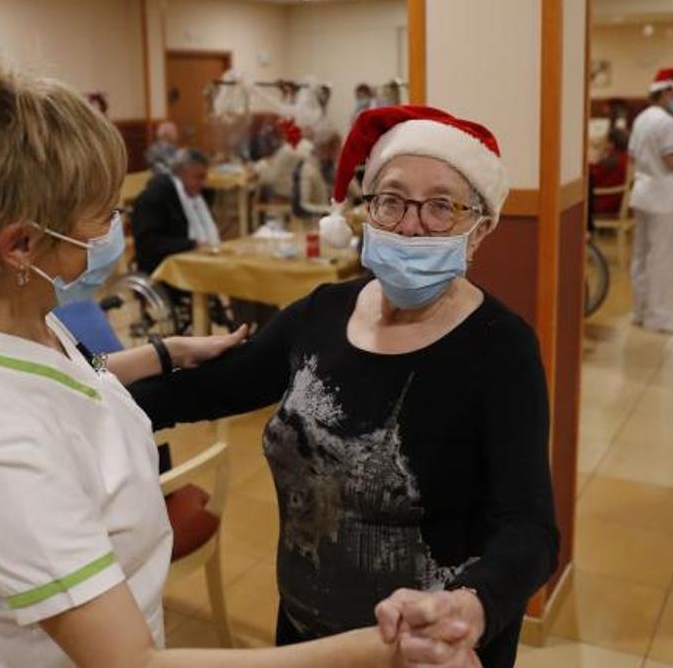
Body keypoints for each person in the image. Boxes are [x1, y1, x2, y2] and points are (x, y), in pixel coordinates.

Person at [0, 61, 479, 668]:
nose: (114, 230)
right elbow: (132, 663)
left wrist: (165, 353)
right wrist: (383, 650)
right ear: (19, 246)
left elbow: (58, 383)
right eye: (101, 214)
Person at [133, 105, 560, 668]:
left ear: (479, 229)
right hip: (307, 640)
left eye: (441, 207)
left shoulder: (501, 347)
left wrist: (472, 608)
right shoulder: (322, 313)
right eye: (391, 199)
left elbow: (529, 528)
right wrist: (75, 389)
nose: (410, 224)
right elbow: (204, 390)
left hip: (428, 649)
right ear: (366, 210)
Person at [628, 67, 673, 334]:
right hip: (663, 197)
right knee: (662, 259)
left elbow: (632, 156)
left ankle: (640, 311)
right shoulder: (667, 123)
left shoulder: (642, 118)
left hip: (643, 192)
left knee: (642, 256)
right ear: (667, 91)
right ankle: (657, 316)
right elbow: (671, 160)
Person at [132, 148, 220, 275]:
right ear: (182, 172)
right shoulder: (155, 197)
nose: (204, 183)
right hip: (162, 271)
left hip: (186, 262)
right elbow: (148, 244)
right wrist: (191, 245)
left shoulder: (193, 195)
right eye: (199, 177)